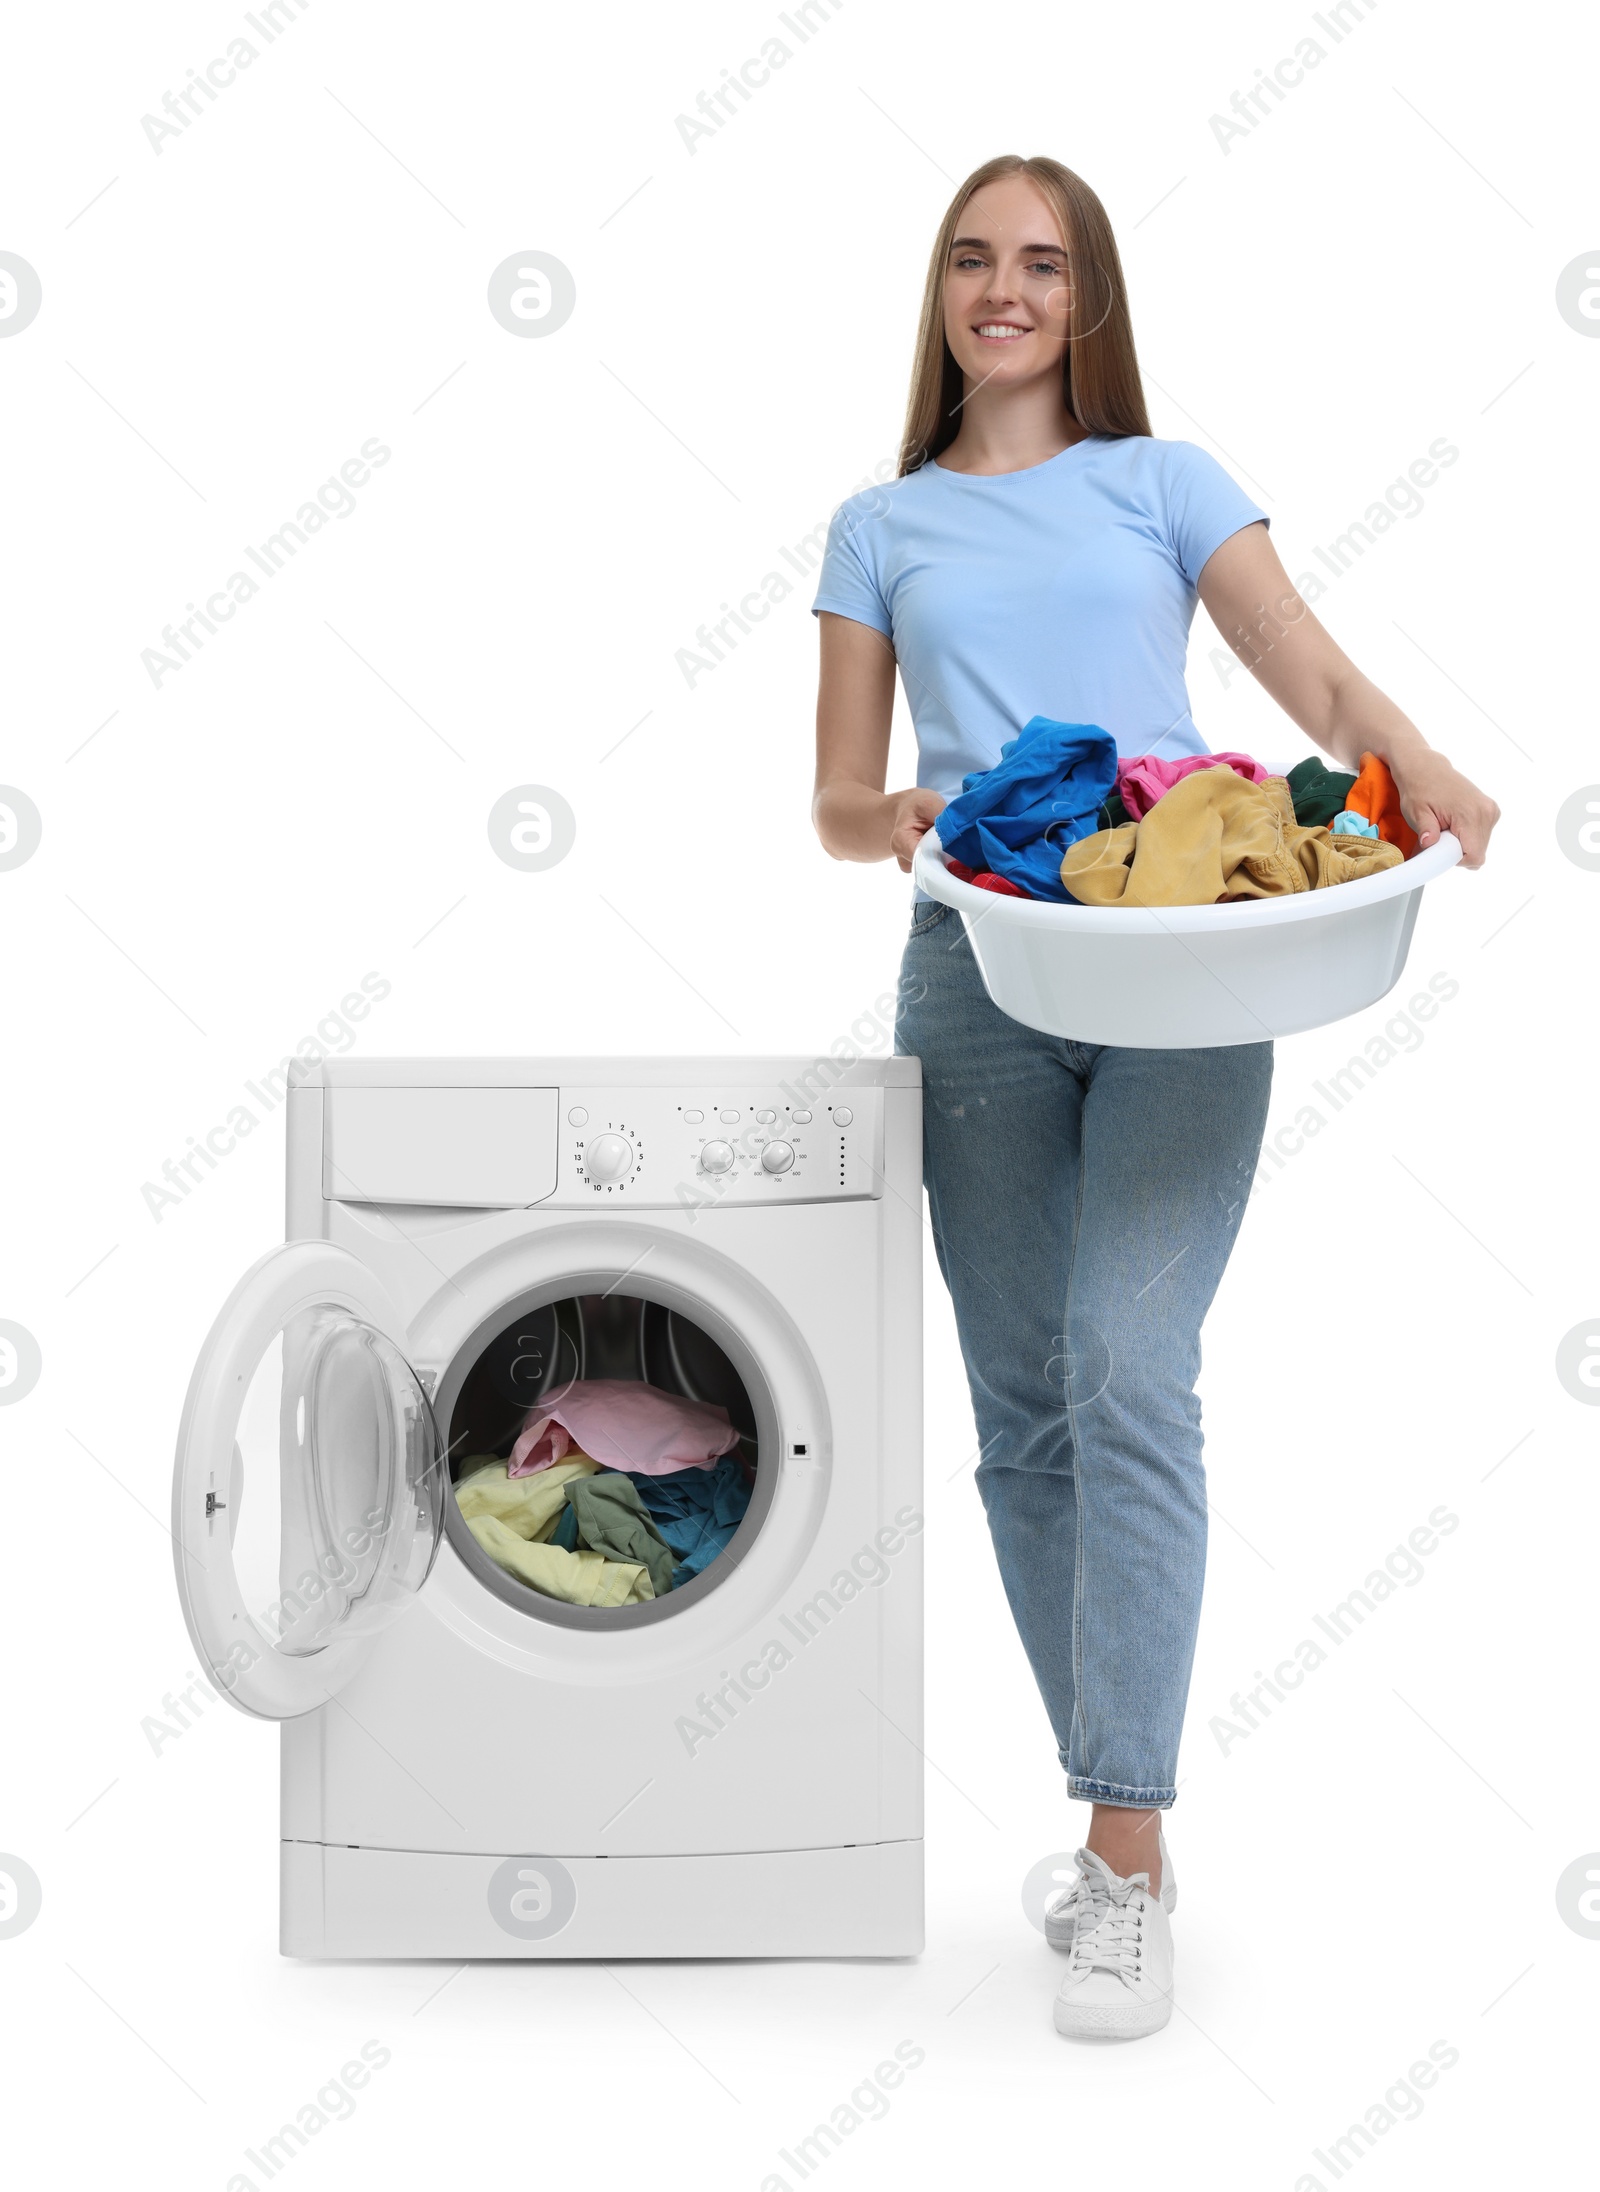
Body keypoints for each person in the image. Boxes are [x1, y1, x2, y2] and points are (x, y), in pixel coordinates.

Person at [810, 153, 1498, 2041]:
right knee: (1024, 1402)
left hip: (1182, 948)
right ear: (939, 292)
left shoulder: (1163, 483)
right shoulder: (880, 524)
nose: (1004, 290)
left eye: (1042, 263)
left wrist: (1423, 767)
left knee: (1130, 1359)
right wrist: (912, 819)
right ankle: (1125, 1816)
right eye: (973, 259)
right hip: (979, 964)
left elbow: (1302, 663)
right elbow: (833, 800)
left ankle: (1120, 1867)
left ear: (1090, 298)